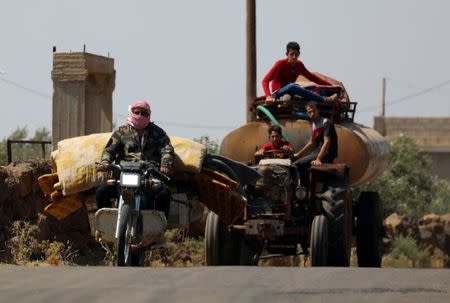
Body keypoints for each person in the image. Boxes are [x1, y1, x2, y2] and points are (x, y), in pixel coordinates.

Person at [96, 99, 175, 217]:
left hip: (149, 174)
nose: (140, 115)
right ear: (132, 113)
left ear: (149, 115)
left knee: (164, 193)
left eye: (144, 113)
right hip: (124, 172)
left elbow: (167, 150)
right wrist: (105, 162)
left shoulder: (158, 132)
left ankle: (158, 229)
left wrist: (166, 165)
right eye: (137, 112)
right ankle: (106, 223)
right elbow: (109, 150)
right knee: (101, 191)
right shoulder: (122, 132)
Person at [262, 41, 338, 103]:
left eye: (296, 54)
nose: (294, 57)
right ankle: (325, 99)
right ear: (287, 54)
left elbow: (312, 77)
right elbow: (265, 81)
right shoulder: (280, 64)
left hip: (291, 91)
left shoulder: (299, 65)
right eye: (292, 54)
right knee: (292, 85)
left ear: (299, 54)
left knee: (311, 87)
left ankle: (287, 98)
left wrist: (331, 86)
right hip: (278, 92)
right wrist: (268, 96)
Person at [293, 101, 338, 187]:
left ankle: (304, 190)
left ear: (318, 110)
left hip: (327, 154)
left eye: (314, 111)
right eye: (309, 112)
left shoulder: (326, 122)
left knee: (300, 164)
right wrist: (298, 154)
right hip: (317, 151)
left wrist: (318, 159)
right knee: (296, 163)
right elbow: (311, 142)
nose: (312, 114)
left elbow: (327, 142)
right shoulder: (314, 124)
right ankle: (302, 191)